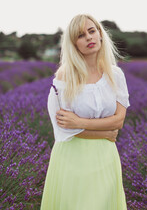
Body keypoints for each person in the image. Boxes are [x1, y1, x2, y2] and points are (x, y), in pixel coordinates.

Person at [40, 13, 130, 210]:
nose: (89, 37)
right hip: (72, 158)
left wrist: (80, 122)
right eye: (81, 35)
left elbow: (119, 121)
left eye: (92, 31)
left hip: (106, 157)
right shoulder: (65, 76)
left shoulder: (115, 75)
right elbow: (63, 127)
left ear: (100, 34)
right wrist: (104, 132)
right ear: (74, 44)